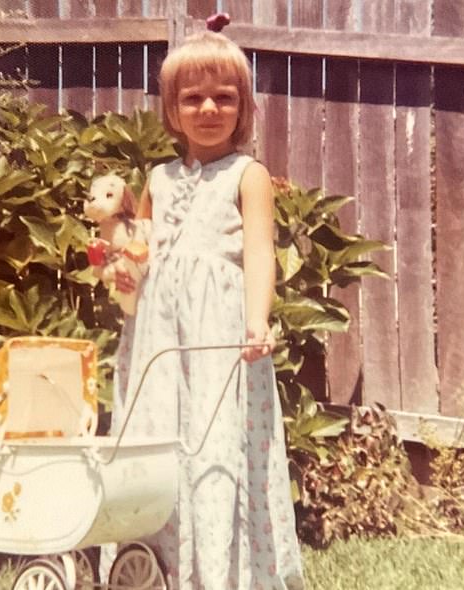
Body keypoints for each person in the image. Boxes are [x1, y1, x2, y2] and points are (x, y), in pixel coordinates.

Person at [109, 28, 305, 590]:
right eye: (193, 98)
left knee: (215, 445)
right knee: (157, 446)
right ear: (172, 109)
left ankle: (220, 574)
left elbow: (260, 253)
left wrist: (256, 320)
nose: (209, 108)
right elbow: (138, 252)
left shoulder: (249, 176)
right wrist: (122, 265)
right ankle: (147, 569)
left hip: (218, 338)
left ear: (244, 106)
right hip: (158, 341)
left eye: (224, 96)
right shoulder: (158, 179)